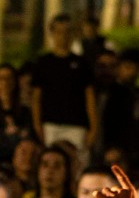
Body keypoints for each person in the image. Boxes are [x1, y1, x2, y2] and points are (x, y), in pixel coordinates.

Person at [32, 14, 99, 167]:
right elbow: (36, 97)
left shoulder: (82, 63)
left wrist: (93, 127)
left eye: (67, 32)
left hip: (77, 126)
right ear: (52, 34)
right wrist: (37, 125)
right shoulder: (44, 62)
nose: (63, 36)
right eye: (59, 31)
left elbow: (89, 97)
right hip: (51, 125)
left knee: (78, 166)